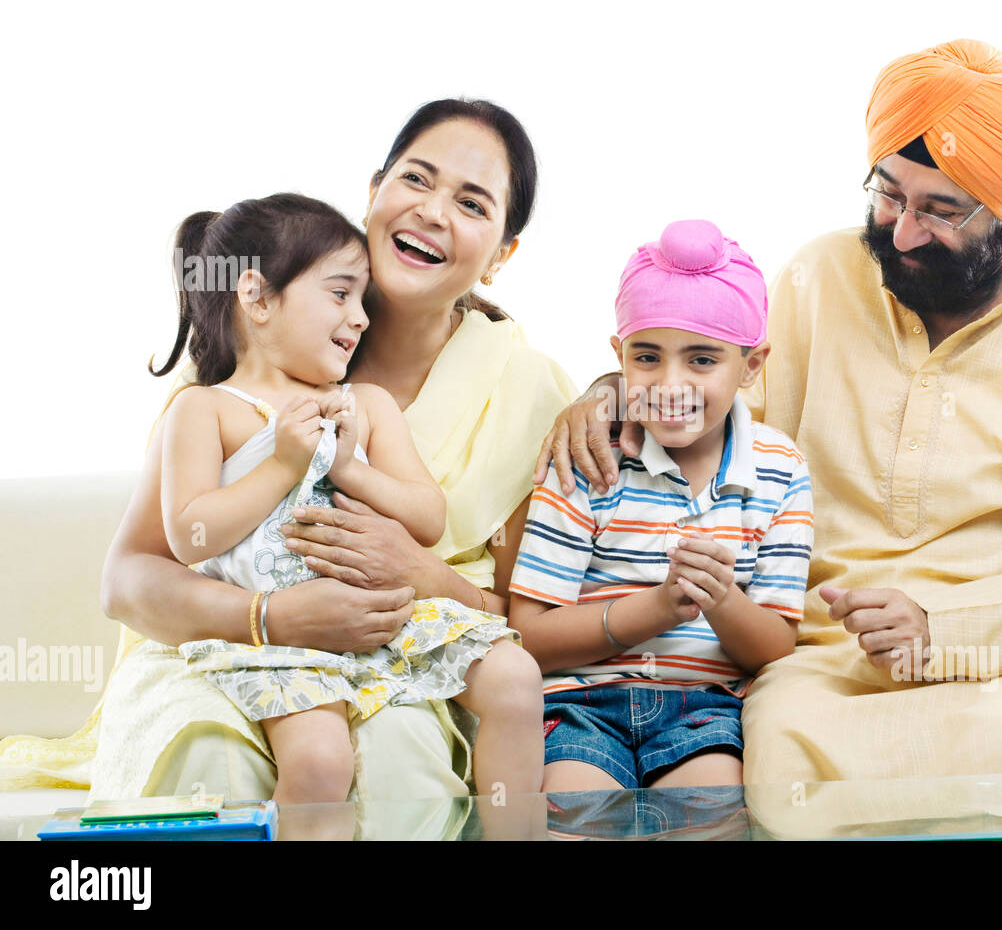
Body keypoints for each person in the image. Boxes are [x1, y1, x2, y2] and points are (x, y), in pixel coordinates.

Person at [536, 39, 1002, 781]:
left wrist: (944, 631)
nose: (901, 232)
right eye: (887, 194)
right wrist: (611, 390)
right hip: (823, 657)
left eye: (940, 210)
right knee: (777, 770)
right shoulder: (820, 277)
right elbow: (709, 413)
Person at [0, 100, 575, 819]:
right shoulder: (238, 370)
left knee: (401, 754)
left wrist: (418, 573)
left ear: (502, 253)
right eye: (416, 179)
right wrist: (272, 616)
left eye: (471, 202)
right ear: (374, 191)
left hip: (403, 642)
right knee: (210, 752)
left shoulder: (532, 392)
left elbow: (532, 619)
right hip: (221, 636)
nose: (432, 211)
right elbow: (132, 576)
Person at [150, 193, 540, 805]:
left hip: (385, 622)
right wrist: (283, 463)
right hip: (283, 641)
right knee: (320, 760)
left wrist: (348, 467)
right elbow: (188, 533)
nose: (361, 318)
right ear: (254, 296)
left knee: (516, 676)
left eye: (362, 299)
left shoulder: (367, 404)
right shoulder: (205, 410)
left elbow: (428, 519)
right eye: (340, 294)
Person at [508, 220, 814, 795]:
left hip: (707, 710)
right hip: (580, 704)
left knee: (711, 810)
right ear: (619, 356)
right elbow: (528, 637)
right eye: (647, 357)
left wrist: (720, 600)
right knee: (574, 811)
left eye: (702, 360)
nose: (671, 384)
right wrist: (654, 610)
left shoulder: (780, 469)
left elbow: (774, 647)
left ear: (751, 365)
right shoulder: (589, 457)